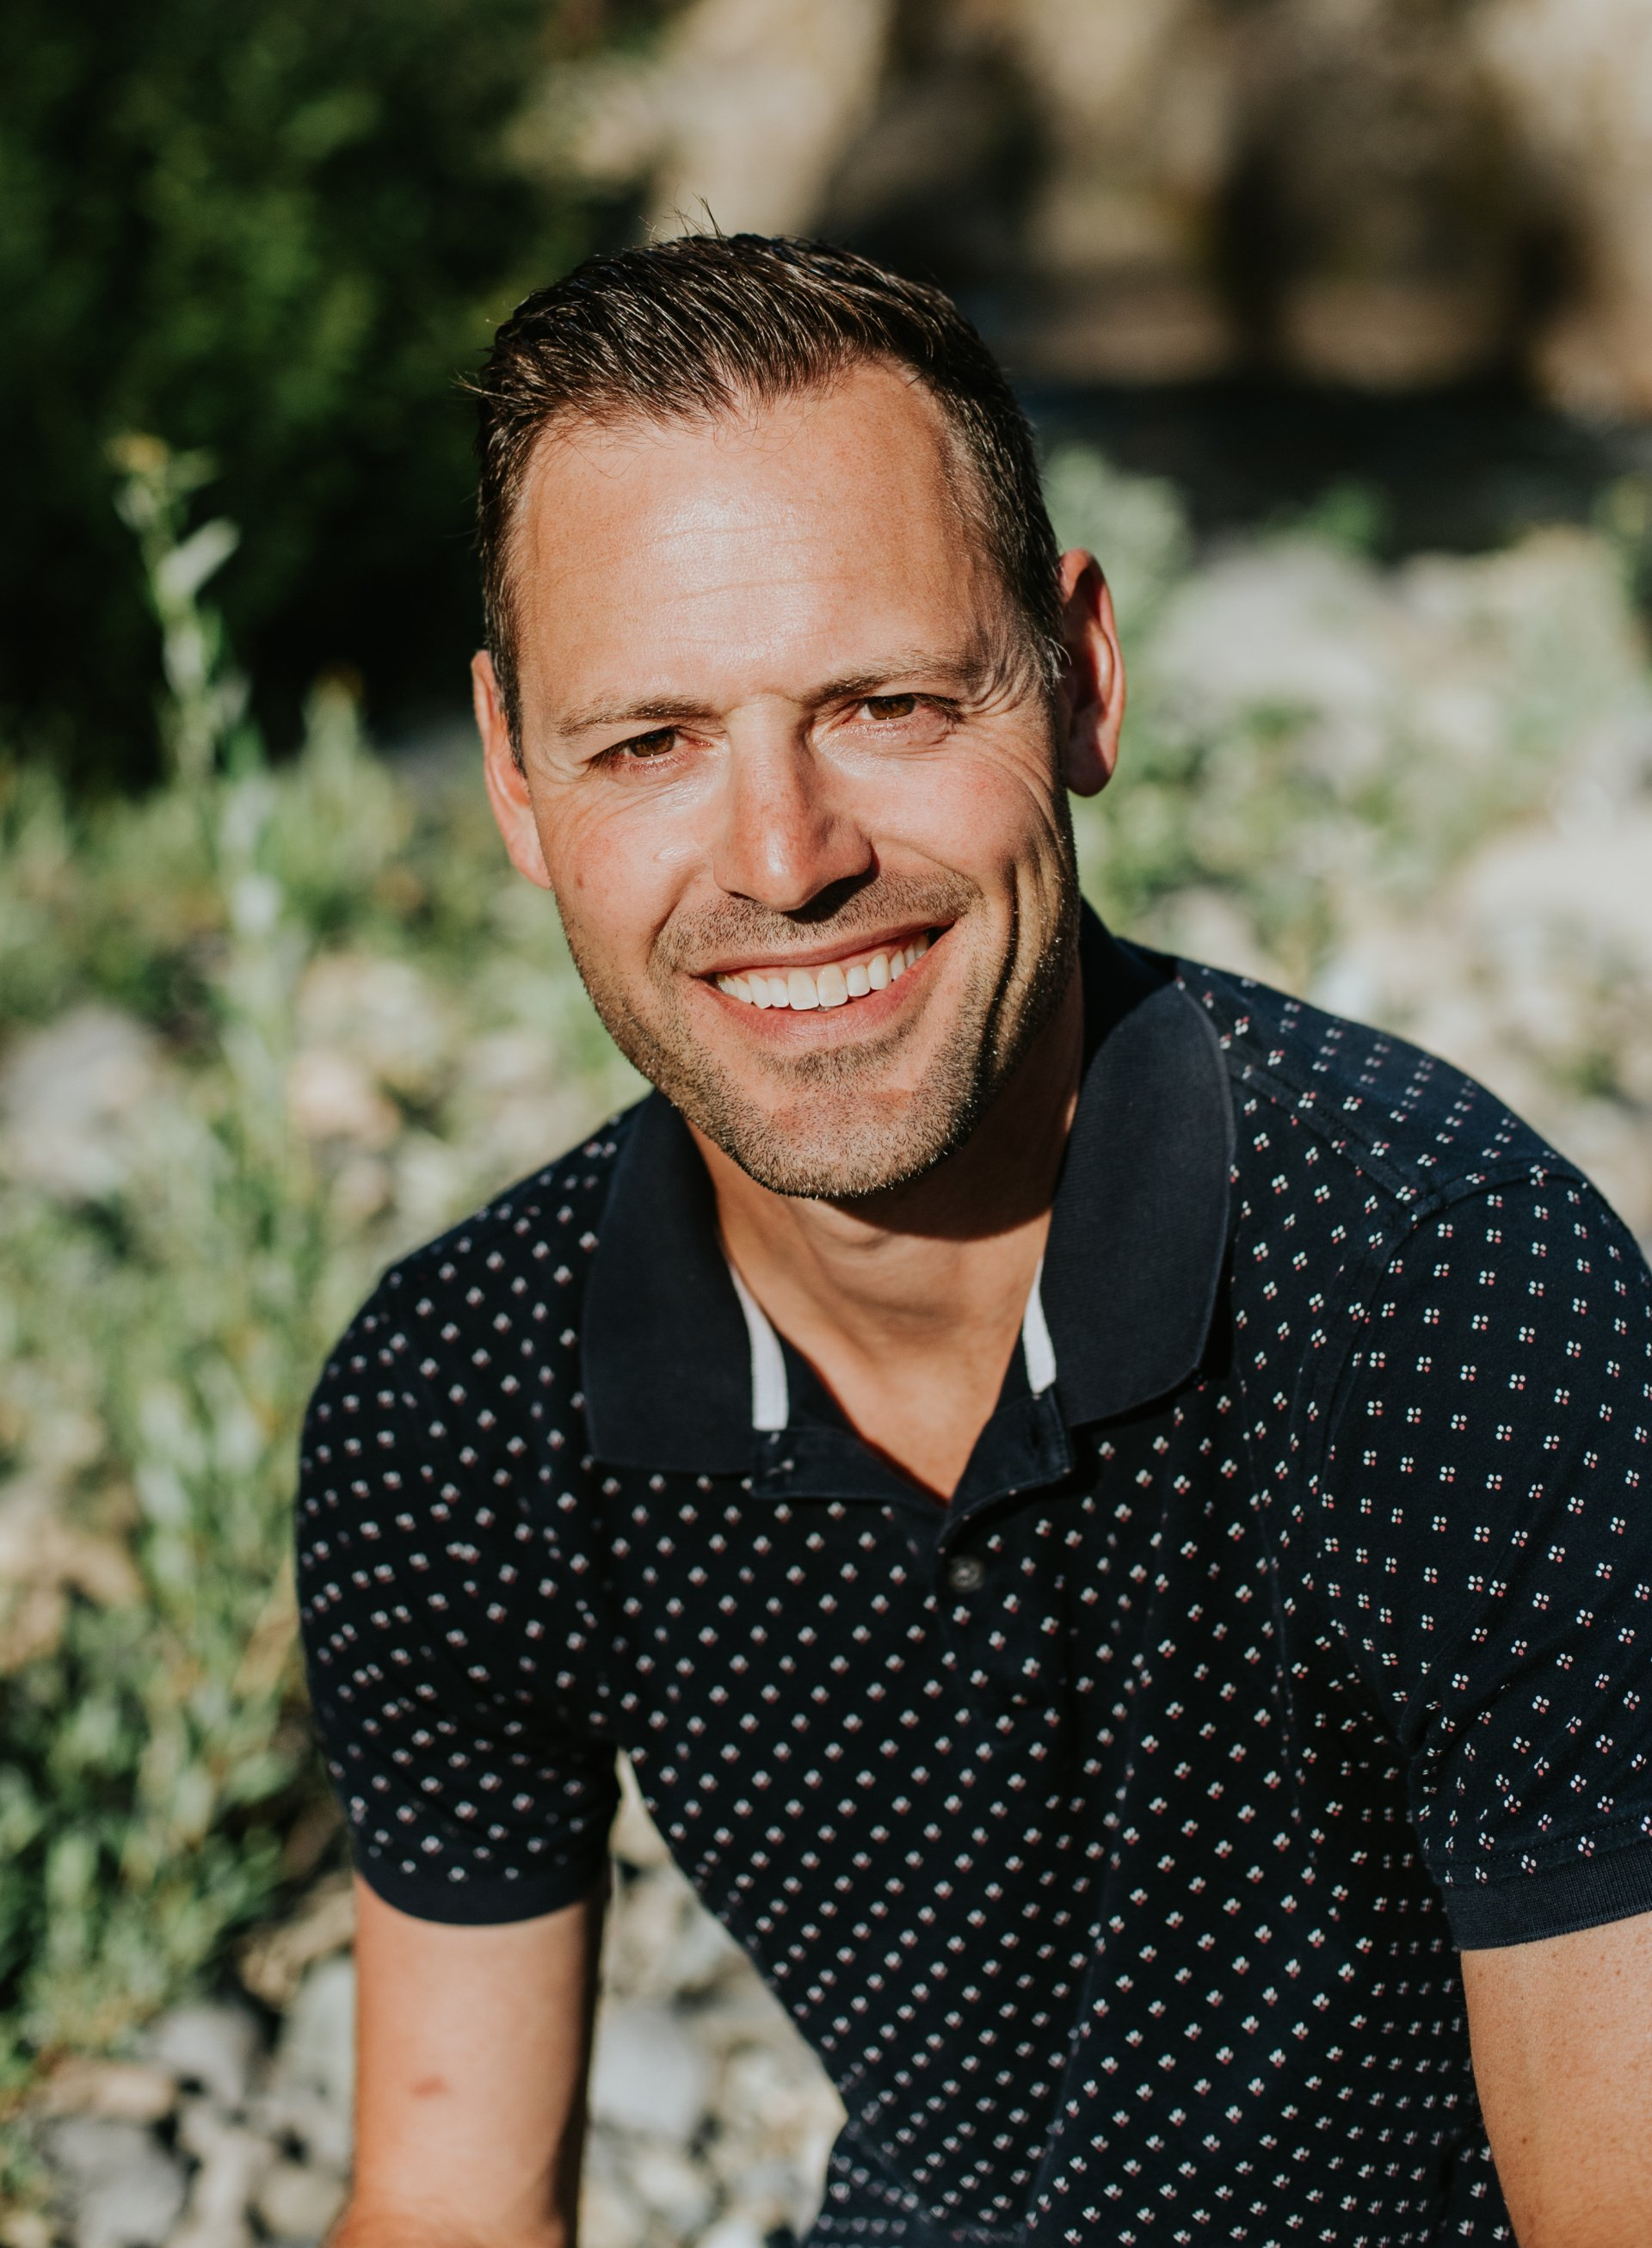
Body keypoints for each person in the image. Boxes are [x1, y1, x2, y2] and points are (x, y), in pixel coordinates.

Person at [297, 234, 1652, 2248]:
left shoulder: (1444, 1295)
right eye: (650, 741)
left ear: (1079, 673)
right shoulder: (464, 1402)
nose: (785, 859)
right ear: (512, 774)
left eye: (888, 703)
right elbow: (443, 2209)